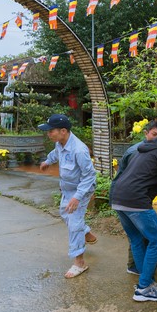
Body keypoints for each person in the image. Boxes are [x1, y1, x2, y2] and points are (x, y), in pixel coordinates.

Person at [110, 116, 157, 302]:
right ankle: (144, 288)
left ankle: (145, 281)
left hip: (118, 196)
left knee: (137, 240)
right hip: (135, 200)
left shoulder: (144, 148)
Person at [39, 114, 97, 279]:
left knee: (73, 222)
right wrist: (47, 162)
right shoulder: (60, 143)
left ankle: (79, 263)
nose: (48, 134)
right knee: (65, 214)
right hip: (68, 189)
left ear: (63, 131)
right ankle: (86, 232)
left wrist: (77, 197)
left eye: (51, 131)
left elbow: (89, 176)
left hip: (81, 189)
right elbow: (56, 153)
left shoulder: (79, 150)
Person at [110, 120, 157, 275]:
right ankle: (142, 273)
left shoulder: (145, 150)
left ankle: (139, 268)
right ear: (146, 133)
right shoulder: (136, 151)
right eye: (154, 134)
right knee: (148, 238)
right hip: (132, 198)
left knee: (138, 237)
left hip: (127, 198)